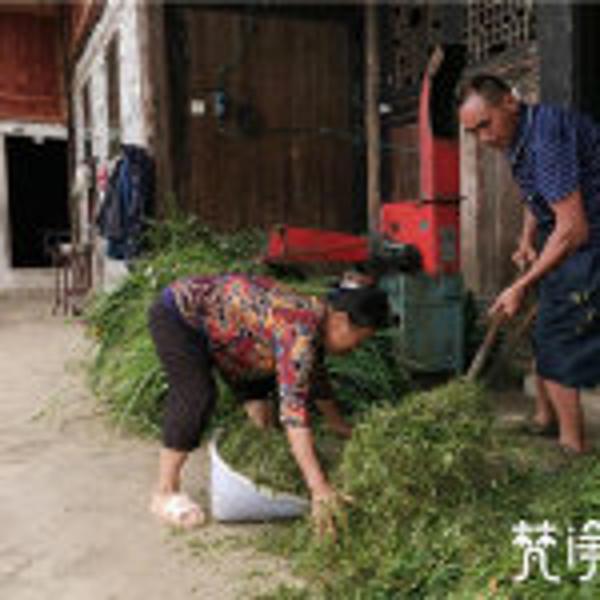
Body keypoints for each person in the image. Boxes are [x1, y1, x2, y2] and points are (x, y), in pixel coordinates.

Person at [147, 272, 390, 533]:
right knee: (197, 395)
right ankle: (165, 492)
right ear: (341, 321)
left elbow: (313, 374)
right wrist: (319, 488)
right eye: (360, 339)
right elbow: (294, 414)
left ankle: (255, 464)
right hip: (181, 316)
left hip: (234, 331)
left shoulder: (318, 317)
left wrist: (336, 423)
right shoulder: (299, 332)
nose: (356, 348)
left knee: (262, 405)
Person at [458, 73, 600, 455]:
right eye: (473, 132)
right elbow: (536, 197)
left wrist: (519, 286)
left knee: (557, 337)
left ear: (509, 102)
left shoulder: (546, 139)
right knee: (543, 330)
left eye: (485, 125)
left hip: (587, 240)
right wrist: (526, 240)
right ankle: (544, 418)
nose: (483, 139)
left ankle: (572, 448)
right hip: (566, 234)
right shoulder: (518, 137)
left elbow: (573, 229)